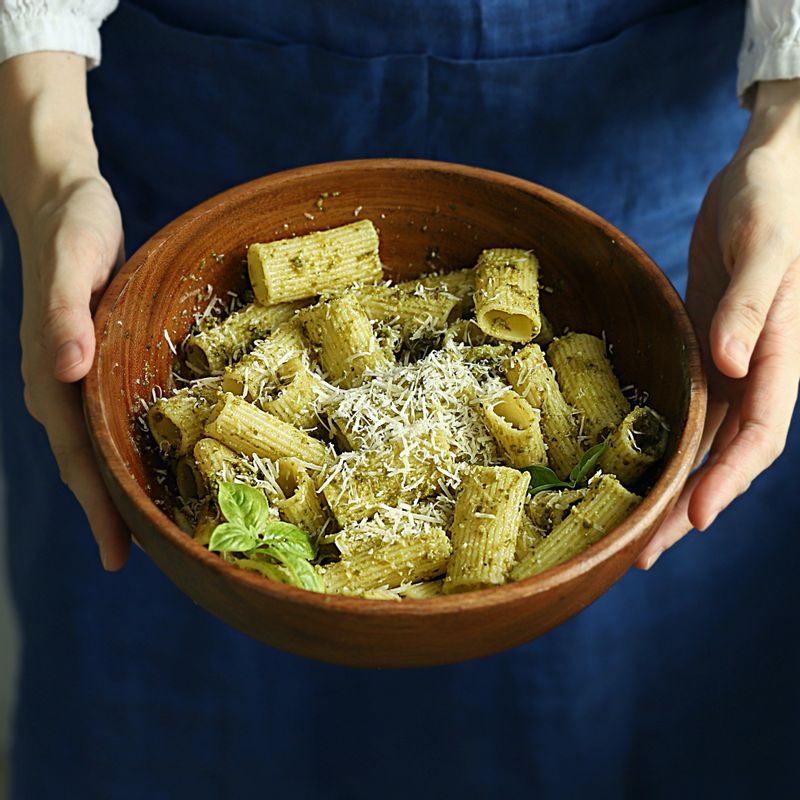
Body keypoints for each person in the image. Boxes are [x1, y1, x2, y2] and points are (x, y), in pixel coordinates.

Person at [1, 1, 798, 797]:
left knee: (613, 723)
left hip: (640, 169)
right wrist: (51, 170)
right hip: (173, 147)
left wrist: (785, 144)